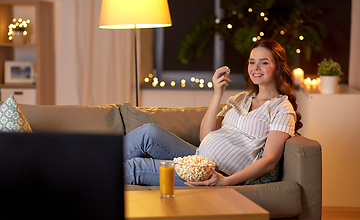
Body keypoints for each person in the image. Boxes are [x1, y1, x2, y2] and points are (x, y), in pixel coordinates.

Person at [124, 39, 302, 186]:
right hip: (199, 158)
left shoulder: (282, 108)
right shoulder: (241, 98)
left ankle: (95, 175)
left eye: (264, 62)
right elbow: (205, 135)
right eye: (252, 62)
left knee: (133, 168)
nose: (256, 68)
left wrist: (226, 181)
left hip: (216, 173)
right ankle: (96, 161)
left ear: (278, 67)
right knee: (148, 132)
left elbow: (269, 160)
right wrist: (217, 95)